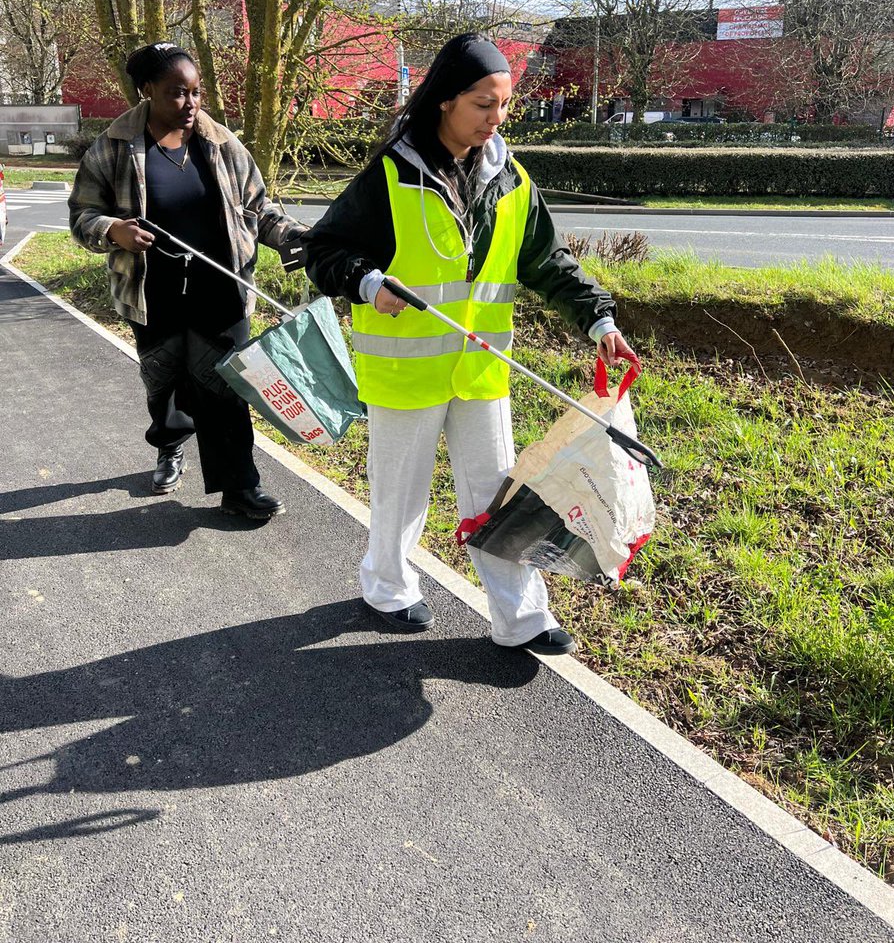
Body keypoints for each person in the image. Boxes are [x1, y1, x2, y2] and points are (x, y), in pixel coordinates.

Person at [304, 33, 637, 655]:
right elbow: (322, 251)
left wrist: (599, 319)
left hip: (482, 369)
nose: (497, 118)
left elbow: (547, 261)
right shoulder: (390, 175)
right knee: (400, 493)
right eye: (484, 103)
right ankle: (387, 586)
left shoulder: (509, 179)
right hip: (404, 373)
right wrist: (366, 281)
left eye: (504, 104)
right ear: (444, 102)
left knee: (496, 498)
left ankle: (521, 618)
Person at [69, 42, 308, 519]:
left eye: (196, 92)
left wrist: (292, 237)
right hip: (150, 290)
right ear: (146, 92)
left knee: (227, 390)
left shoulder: (221, 143)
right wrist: (112, 229)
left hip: (220, 288)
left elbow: (259, 208)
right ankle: (170, 445)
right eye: (176, 93)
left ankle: (240, 487)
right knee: (165, 384)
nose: (191, 104)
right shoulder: (113, 147)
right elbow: (81, 215)